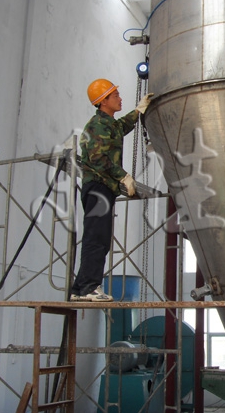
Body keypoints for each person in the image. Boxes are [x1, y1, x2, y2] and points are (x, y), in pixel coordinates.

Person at [70, 79, 153, 301]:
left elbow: (121, 127)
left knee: (96, 237)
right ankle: (89, 287)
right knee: (97, 238)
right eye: (115, 95)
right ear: (103, 101)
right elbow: (97, 158)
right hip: (98, 187)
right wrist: (123, 176)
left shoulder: (108, 124)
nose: (120, 98)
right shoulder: (97, 125)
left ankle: (80, 288)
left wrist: (139, 110)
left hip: (101, 188)